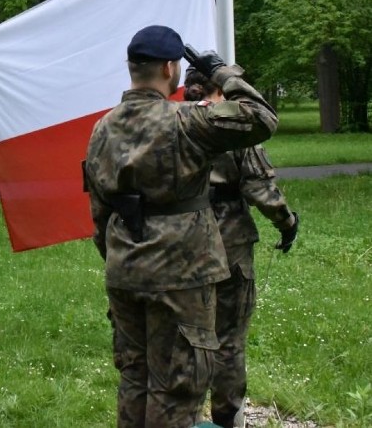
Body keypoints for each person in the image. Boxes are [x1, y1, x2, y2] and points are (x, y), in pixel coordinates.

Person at [83, 25, 279, 428]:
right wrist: (222, 72)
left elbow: (99, 208)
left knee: (135, 378)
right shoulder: (188, 121)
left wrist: (117, 255)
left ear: (132, 68)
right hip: (182, 273)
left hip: (125, 269)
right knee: (177, 386)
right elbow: (261, 118)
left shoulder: (102, 128)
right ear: (171, 69)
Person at [184, 67, 299, 428]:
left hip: (179, 245)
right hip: (229, 244)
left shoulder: (173, 123)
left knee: (185, 337)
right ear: (221, 88)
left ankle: (181, 416)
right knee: (229, 340)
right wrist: (287, 222)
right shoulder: (231, 129)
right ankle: (226, 419)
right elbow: (259, 189)